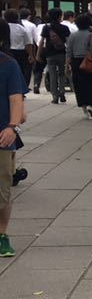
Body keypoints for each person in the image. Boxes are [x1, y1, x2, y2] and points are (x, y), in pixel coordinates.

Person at [0, 46, 26, 258]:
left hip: (2, 136)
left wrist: (12, 127)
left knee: (3, 189)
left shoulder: (8, 64)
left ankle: (1, 234)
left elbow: (16, 99)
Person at [66, 13, 92, 120]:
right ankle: (91, 104)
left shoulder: (72, 36)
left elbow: (68, 52)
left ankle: (84, 107)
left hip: (76, 62)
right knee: (91, 83)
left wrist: (67, 65)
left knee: (79, 85)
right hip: (90, 61)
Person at [40, 10, 69, 104]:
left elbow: (41, 42)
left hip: (50, 54)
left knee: (52, 75)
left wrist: (38, 54)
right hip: (61, 53)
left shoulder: (46, 27)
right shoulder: (65, 28)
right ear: (60, 16)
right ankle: (62, 92)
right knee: (61, 73)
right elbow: (68, 42)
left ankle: (55, 96)